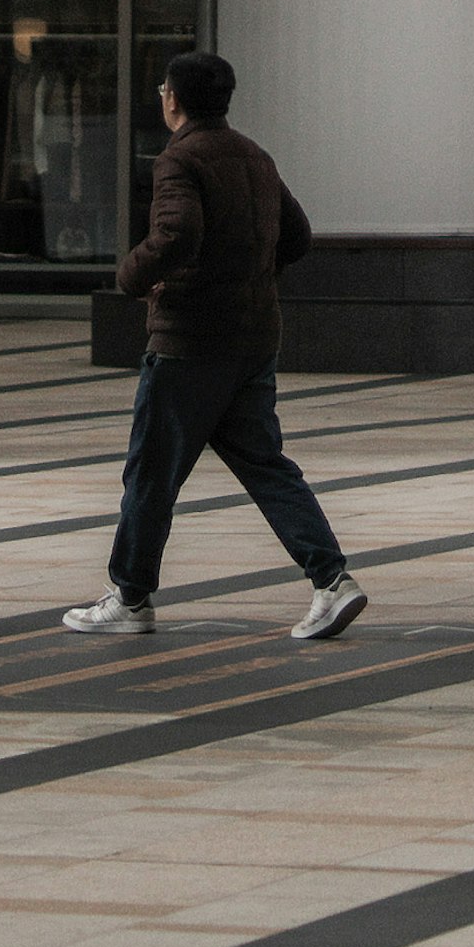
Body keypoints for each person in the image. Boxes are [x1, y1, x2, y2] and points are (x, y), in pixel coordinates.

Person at [59, 48, 366, 644]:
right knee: (267, 466)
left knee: (151, 471)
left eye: (162, 89)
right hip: (253, 340)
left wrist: (132, 276)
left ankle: (130, 598)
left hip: (190, 343)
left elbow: (177, 233)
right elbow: (297, 235)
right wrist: (247, 274)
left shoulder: (180, 159)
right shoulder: (254, 156)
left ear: (173, 98)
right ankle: (332, 581)